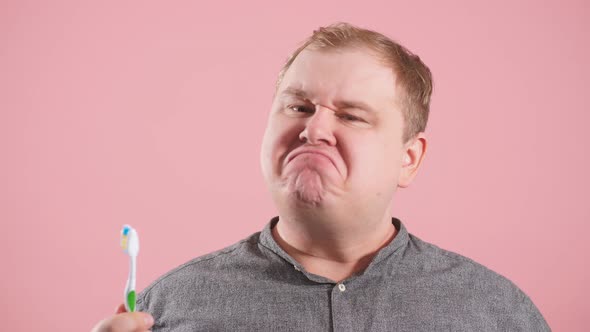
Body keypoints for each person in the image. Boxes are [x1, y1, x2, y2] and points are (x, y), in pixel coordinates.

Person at [92, 22, 550, 331]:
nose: (313, 129)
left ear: (409, 158)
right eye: (298, 107)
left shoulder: (496, 312)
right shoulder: (170, 308)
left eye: (351, 116)